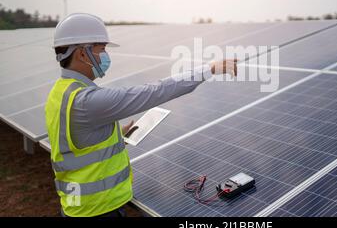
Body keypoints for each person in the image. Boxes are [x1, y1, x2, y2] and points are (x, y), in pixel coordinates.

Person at [45, 13, 237, 217]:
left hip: (78, 205)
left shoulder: (60, 92)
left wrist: (114, 135)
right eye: (102, 50)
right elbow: (155, 91)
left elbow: (75, 141)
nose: (106, 56)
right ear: (83, 54)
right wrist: (209, 70)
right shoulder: (86, 101)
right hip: (98, 210)